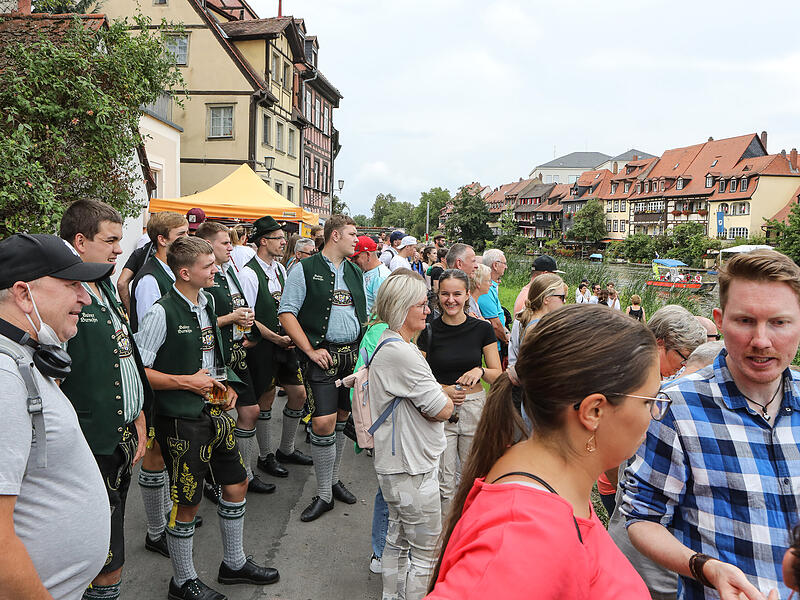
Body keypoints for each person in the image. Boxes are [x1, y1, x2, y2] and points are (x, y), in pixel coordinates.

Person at [425, 304, 660, 599]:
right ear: (594, 411)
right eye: (649, 401)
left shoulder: (541, 482)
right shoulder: (526, 529)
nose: (654, 415)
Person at [620, 249, 800, 600]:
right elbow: (641, 518)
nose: (761, 340)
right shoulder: (676, 407)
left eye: (779, 322)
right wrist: (703, 566)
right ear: (719, 320)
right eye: (745, 321)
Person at [136, 236, 279, 599]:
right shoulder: (161, 311)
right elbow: (140, 371)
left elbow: (214, 359)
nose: (216, 268)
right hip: (181, 420)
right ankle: (182, 581)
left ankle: (233, 564)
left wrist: (227, 385)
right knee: (188, 501)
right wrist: (186, 382)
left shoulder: (209, 302)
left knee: (236, 485)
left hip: (214, 413)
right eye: (208, 266)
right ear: (185, 273)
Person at [0, 233, 113, 600]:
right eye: (72, 285)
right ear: (22, 294)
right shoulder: (4, 378)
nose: (84, 297)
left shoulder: (25, 358)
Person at [59, 201, 153, 600]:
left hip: (121, 436)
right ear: (80, 241)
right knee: (101, 556)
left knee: (109, 546)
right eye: (110, 240)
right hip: (87, 441)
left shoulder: (104, 284)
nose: (119, 249)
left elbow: (126, 357)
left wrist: (140, 421)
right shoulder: (60, 288)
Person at [605, 303, 707, 599]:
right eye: (684, 358)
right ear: (660, 343)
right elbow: (611, 455)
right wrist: (623, 487)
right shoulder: (632, 385)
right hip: (635, 547)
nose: (682, 368)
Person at [368, 271, 455, 600]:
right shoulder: (404, 354)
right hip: (412, 463)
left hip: (397, 460)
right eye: (422, 304)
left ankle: (392, 596)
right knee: (427, 550)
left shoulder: (389, 343)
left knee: (398, 538)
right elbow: (442, 409)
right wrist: (445, 396)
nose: (429, 310)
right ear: (403, 306)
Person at [278, 214, 366, 522]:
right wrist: (310, 350)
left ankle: (333, 480)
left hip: (351, 355)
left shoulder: (356, 271)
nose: (358, 239)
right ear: (336, 236)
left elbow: (364, 313)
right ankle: (325, 493)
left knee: (342, 417)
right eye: (353, 234)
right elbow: (286, 313)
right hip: (323, 355)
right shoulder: (304, 269)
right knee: (323, 422)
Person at [196, 222, 275, 495]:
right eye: (225, 243)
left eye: (231, 243)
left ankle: (244, 472)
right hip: (216, 362)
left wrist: (249, 330)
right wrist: (232, 318)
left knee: (250, 411)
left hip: (237, 356)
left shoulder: (229, 271)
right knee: (217, 419)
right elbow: (198, 322)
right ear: (208, 246)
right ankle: (213, 478)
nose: (232, 247)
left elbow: (240, 306)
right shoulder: (201, 278)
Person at [417, 269, 502, 515]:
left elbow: (498, 373)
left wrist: (481, 371)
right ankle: (446, 540)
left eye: (457, 294)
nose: (450, 300)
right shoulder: (428, 329)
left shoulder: (481, 329)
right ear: (437, 295)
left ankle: (469, 532)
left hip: (473, 406)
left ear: (467, 295)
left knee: (472, 476)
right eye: (445, 294)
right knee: (444, 483)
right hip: (441, 407)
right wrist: (443, 389)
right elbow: (420, 377)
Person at [238, 216, 312, 485]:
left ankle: (286, 448)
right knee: (264, 400)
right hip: (263, 346)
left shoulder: (280, 270)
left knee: (298, 394)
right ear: (263, 241)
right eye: (279, 238)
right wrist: (275, 338)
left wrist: (290, 336)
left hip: (284, 344)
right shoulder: (248, 273)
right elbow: (247, 316)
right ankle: (265, 455)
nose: (284, 242)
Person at [128, 211, 189, 332]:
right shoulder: (149, 280)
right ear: (162, 240)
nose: (187, 238)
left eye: (187, 232)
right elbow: (149, 330)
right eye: (181, 234)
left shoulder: (173, 270)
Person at [508, 274, 566, 368]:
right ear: (546, 299)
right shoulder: (540, 328)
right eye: (561, 297)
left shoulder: (523, 318)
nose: (564, 301)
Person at [477, 249, 509, 348]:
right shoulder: (486, 289)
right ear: (495, 265)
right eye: (504, 263)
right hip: (495, 345)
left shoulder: (492, 286)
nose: (506, 267)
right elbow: (494, 324)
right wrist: (507, 341)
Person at [350, 236, 390, 313]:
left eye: (356, 257)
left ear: (368, 255)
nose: (353, 261)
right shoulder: (366, 271)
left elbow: (383, 312)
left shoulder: (380, 277)